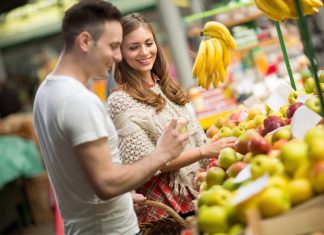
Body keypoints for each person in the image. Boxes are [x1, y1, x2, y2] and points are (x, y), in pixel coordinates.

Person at [32, 1, 189, 235]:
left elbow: (85, 176)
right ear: (85, 41)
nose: (118, 56)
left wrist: (124, 197)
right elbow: (106, 183)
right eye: (114, 46)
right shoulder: (79, 101)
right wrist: (162, 154)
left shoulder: (46, 93)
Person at [106, 13, 237, 224]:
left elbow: (189, 138)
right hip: (168, 205)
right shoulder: (120, 101)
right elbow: (147, 163)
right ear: (120, 53)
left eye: (149, 43)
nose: (144, 52)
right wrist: (205, 151)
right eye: (133, 47)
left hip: (198, 187)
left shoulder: (165, 85)